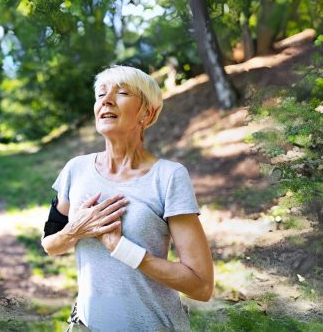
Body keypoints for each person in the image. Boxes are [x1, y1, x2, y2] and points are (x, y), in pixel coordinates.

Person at [41, 65, 214, 332]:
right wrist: (74, 231)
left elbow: (201, 285)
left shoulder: (168, 177)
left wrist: (123, 249)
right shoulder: (75, 169)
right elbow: (50, 245)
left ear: (148, 112)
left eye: (122, 92)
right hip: (87, 326)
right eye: (100, 95)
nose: (106, 100)